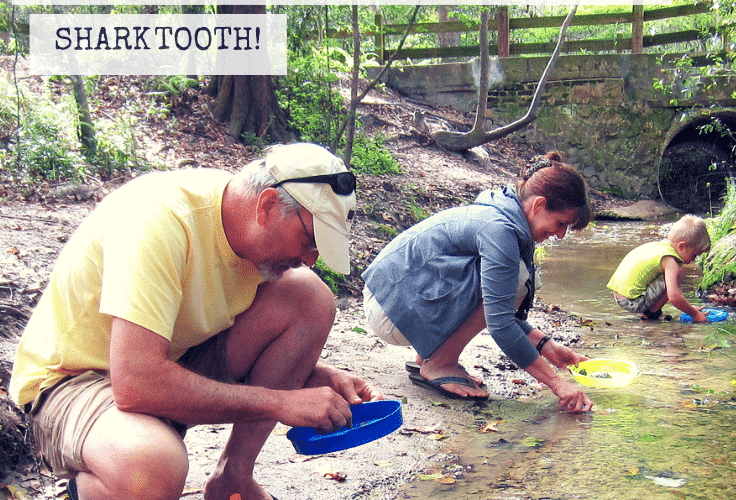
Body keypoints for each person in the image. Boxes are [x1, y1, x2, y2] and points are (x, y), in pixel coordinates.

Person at [9, 142, 382, 500]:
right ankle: (93, 486)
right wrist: (278, 401)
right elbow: (137, 382)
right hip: (73, 382)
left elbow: (190, 334)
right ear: (267, 206)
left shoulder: (245, 219)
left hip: (163, 359)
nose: (310, 257)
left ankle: (232, 479)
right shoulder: (160, 219)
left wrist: (308, 372)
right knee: (153, 468)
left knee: (310, 296)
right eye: (308, 239)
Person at [361, 152, 595, 412]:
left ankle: (431, 358)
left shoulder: (503, 211)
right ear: (539, 205)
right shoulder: (501, 231)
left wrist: (547, 346)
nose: (561, 234)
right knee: (517, 278)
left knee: (509, 281)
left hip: (391, 300)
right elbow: (500, 323)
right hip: (389, 311)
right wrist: (556, 383)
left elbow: (499, 305)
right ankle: (439, 363)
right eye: (561, 223)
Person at [607, 214, 711, 322]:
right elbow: (674, 297)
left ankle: (652, 311)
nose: (694, 260)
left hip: (620, 296)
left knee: (672, 278)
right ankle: (652, 313)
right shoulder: (670, 261)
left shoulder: (660, 247)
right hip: (631, 301)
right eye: (694, 255)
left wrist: (687, 308)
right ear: (682, 246)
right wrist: (694, 314)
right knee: (678, 273)